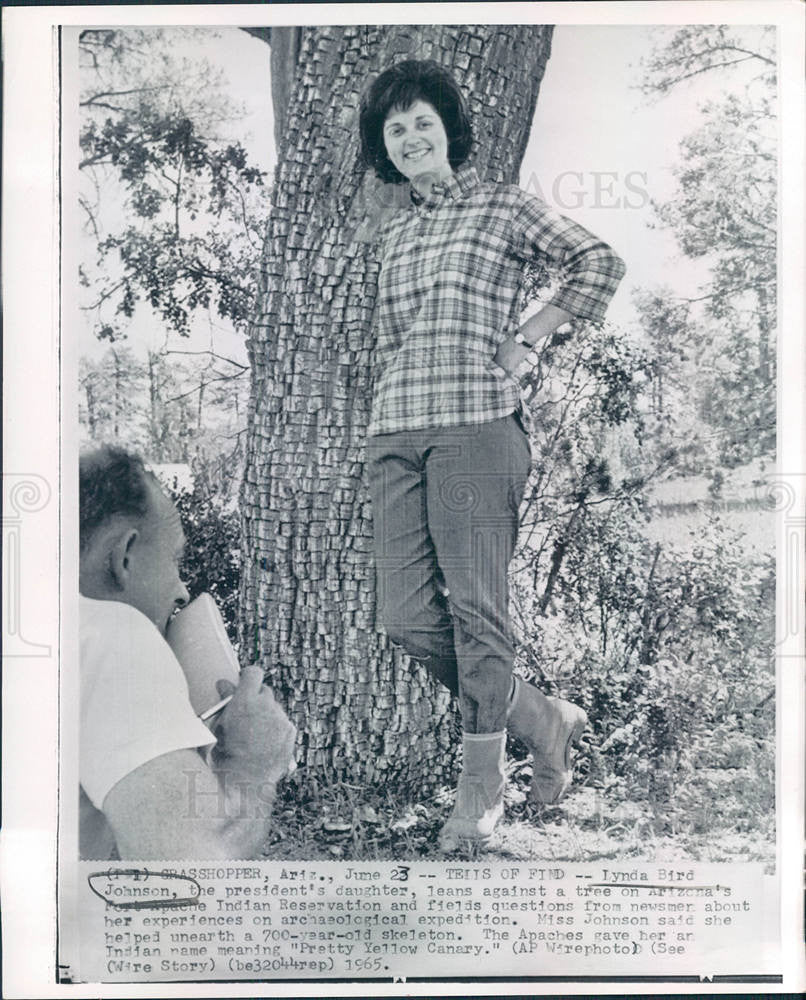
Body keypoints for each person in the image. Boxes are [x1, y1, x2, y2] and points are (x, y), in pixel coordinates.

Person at [359, 60, 625, 849]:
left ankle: (481, 786)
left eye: (421, 121)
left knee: (477, 611)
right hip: (396, 432)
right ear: (385, 146)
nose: (409, 136)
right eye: (394, 127)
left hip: (477, 424)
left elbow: (598, 261)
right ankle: (544, 719)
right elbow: (390, 342)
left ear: (448, 129)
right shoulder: (394, 236)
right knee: (406, 617)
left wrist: (526, 341)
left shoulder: (502, 206)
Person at [78, 445, 296, 860]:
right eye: (176, 559)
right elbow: (193, 873)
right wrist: (253, 764)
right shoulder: (112, 634)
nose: (182, 589)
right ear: (124, 556)